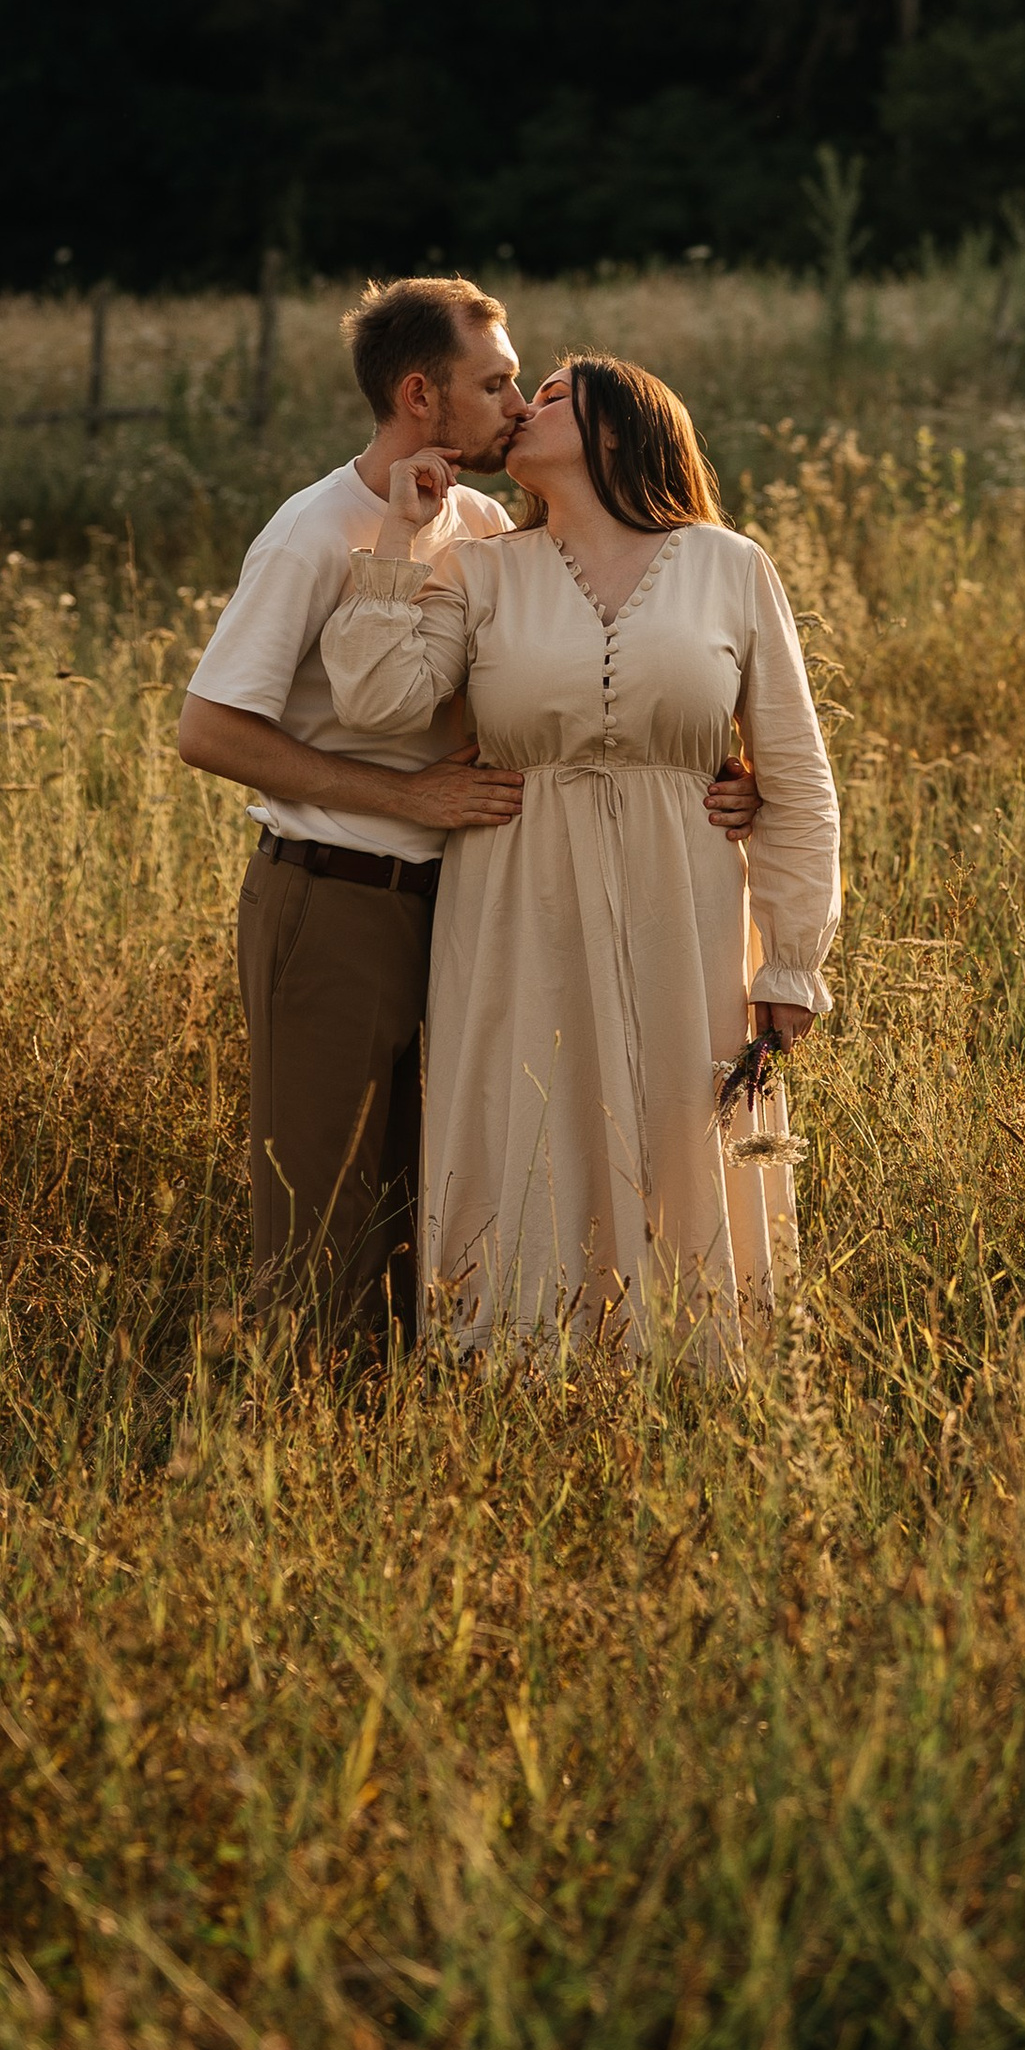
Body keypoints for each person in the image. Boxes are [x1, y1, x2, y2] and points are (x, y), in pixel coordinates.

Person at [176, 279, 762, 1353]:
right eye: (495, 384)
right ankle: (292, 1418)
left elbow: (568, 673)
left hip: (467, 903)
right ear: (419, 394)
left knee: (446, 1182)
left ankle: (435, 1406)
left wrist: (709, 772)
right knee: (324, 1212)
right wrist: (407, 796)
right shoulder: (315, 531)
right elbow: (207, 730)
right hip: (335, 893)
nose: (517, 405)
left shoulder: (485, 523)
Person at [321, 352, 842, 1353]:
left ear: (619, 426)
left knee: (682, 1123)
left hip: (686, 901)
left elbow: (797, 775)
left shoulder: (729, 565)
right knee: (524, 1117)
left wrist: (791, 960)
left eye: (553, 394)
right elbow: (376, 700)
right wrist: (399, 532)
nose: (522, 407)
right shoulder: (479, 569)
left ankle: (695, 1368)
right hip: (518, 898)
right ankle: (520, 1370)